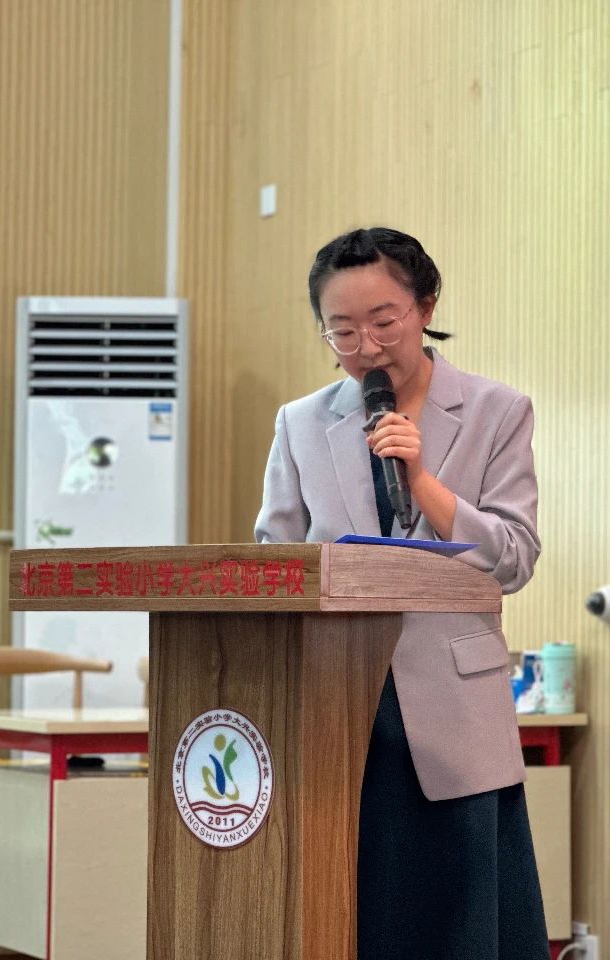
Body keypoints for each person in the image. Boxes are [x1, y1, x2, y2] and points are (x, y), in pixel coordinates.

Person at [254, 227, 548, 959]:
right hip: (337, 705)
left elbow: (514, 558)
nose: (367, 348)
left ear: (426, 307)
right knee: (354, 914)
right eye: (344, 331)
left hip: (455, 707)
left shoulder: (497, 410)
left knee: (460, 925)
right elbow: (275, 564)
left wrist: (422, 481)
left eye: (384, 323)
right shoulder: (299, 423)